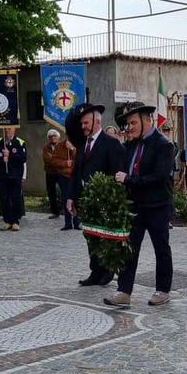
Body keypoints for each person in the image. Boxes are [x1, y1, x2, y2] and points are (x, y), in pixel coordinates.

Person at [104, 102, 175, 308]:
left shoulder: (164, 145)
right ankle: (124, 291)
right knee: (129, 249)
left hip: (158, 206)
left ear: (147, 121)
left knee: (161, 248)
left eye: (133, 123)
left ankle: (163, 290)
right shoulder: (130, 145)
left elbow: (159, 176)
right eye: (128, 124)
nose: (129, 128)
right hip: (135, 207)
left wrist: (129, 180)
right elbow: (121, 170)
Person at [67, 103, 124, 285]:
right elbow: (76, 172)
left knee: (105, 236)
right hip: (86, 199)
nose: (83, 126)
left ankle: (108, 269)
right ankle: (95, 271)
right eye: (81, 123)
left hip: (105, 200)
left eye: (85, 123)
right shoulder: (82, 143)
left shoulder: (111, 144)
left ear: (96, 121)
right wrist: (71, 197)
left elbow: (117, 173)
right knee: (91, 236)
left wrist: (113, 199)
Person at [0, 126, 27, 231]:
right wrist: (2, 158)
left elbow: (23, 158)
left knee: (15, 199)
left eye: (9, 128)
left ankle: (15, 221)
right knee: (4, 199)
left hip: (15, 176)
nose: (7, 130)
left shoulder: (20, 143)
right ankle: (7, 220)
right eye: (5, 129)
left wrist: (10, 155)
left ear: (14, 129)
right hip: (2, 177)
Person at [52, 132, 79, 230]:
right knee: (66, 198)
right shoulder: (59, 146)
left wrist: (73, 149)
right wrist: (64, 163)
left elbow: (81, 159)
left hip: (75, 176)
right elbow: (54, 161)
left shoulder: (79, 145)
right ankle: (68, 223)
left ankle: (76, 222)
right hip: (63, 176)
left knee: (75, 198)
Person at [42, 128, 62, 219]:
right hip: (50, 173)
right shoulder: (46, 147)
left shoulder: (62, 146)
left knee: (65, 191)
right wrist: (56, 159)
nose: (53, 138)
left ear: (58, 137)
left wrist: (52, 157)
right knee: (51, 193)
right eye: (50, 136)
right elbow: (46, 160)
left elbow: (63, 159)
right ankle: (55, 212)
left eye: (54, 136)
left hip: (61, 172)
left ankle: (69, 211)